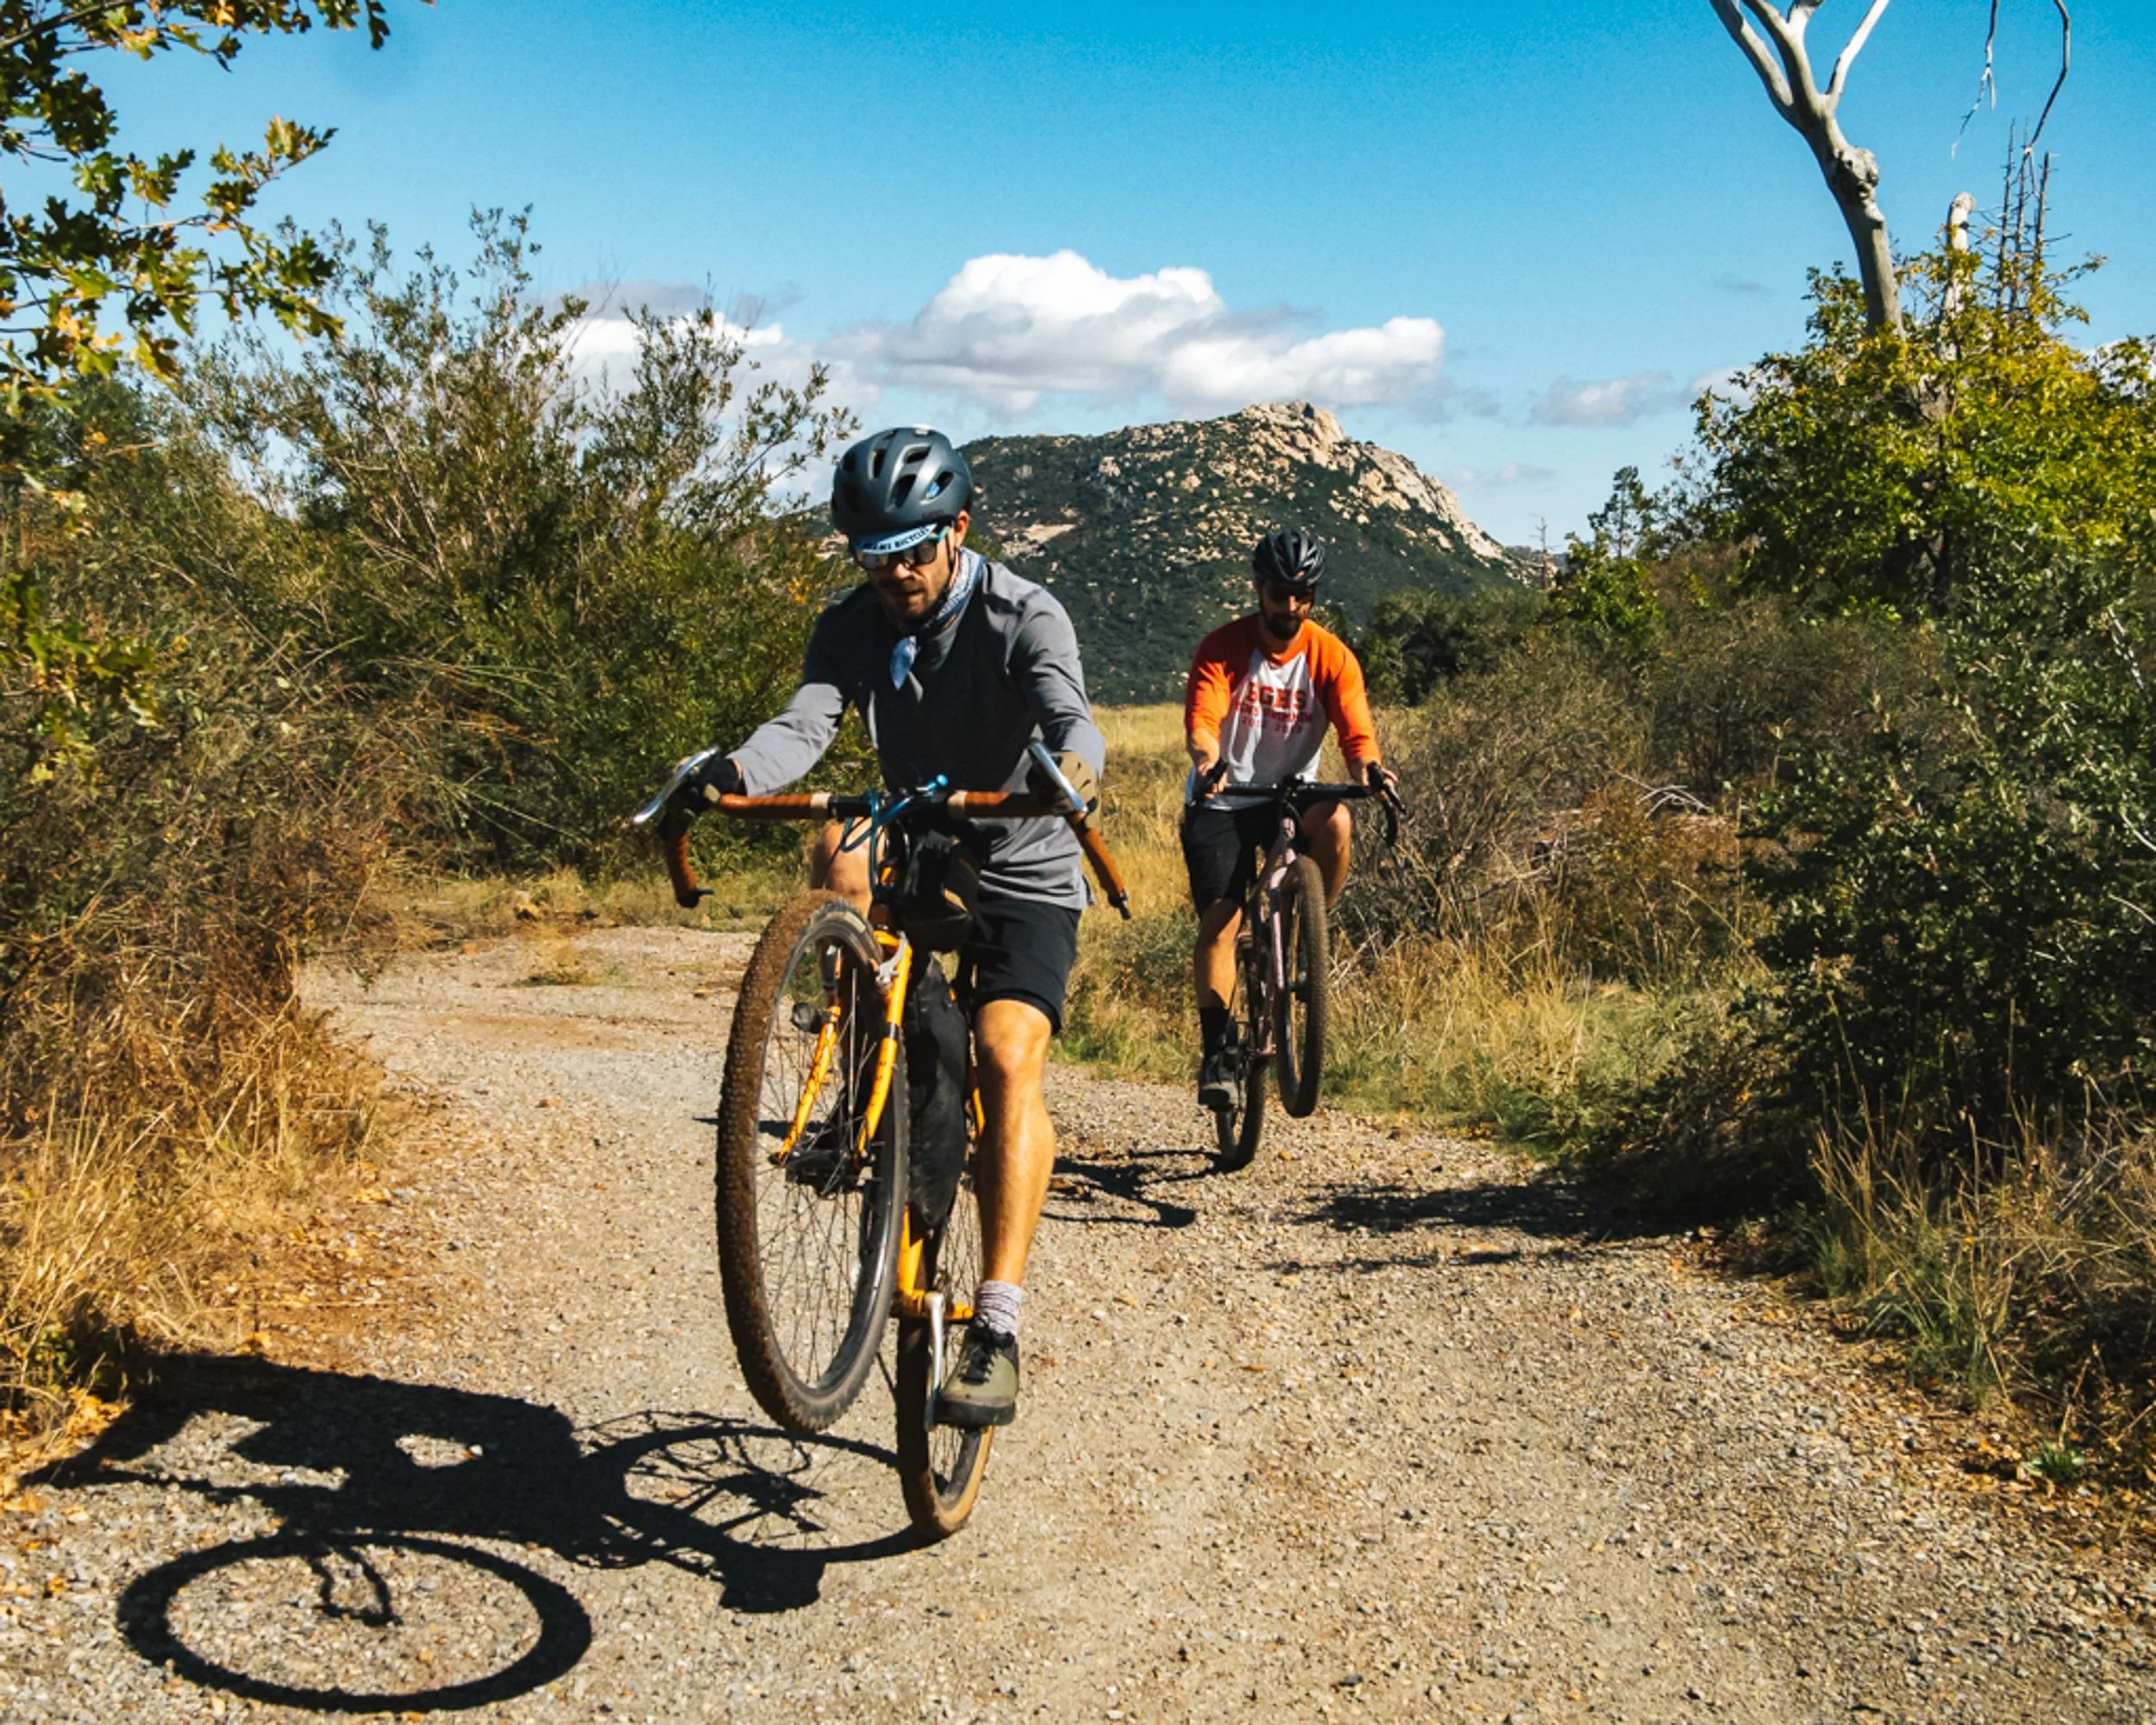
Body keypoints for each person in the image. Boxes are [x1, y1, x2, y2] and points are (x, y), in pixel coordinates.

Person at [673, 426, 1104, 1432]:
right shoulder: (852, 623)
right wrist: (732, 769)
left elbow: (1068, 715)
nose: (897, 573)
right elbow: (806, 722)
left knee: (1004, 1054)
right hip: (924, 847)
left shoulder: (1024, 613)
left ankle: (995, 1324)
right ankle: (863, 1083)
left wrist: (1070, 776)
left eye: (913, 551)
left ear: (957, 528)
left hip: (1025, 855)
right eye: (875, 557)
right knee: (842, 862)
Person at [1181, 527, 1394, 1110]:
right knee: (1221, 924)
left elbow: (1357, 732)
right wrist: (1208, 760)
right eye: (1280, 591)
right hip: (1223, 797)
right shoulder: (1224, 646)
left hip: (1288, 794)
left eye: (1303, 592)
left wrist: (1371, 769)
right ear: (1259, 588)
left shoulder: (1331, 656)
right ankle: (1219, 1054)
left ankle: (1306, 936)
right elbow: (1203, 718)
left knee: (1338, 824)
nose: (1291, 605)